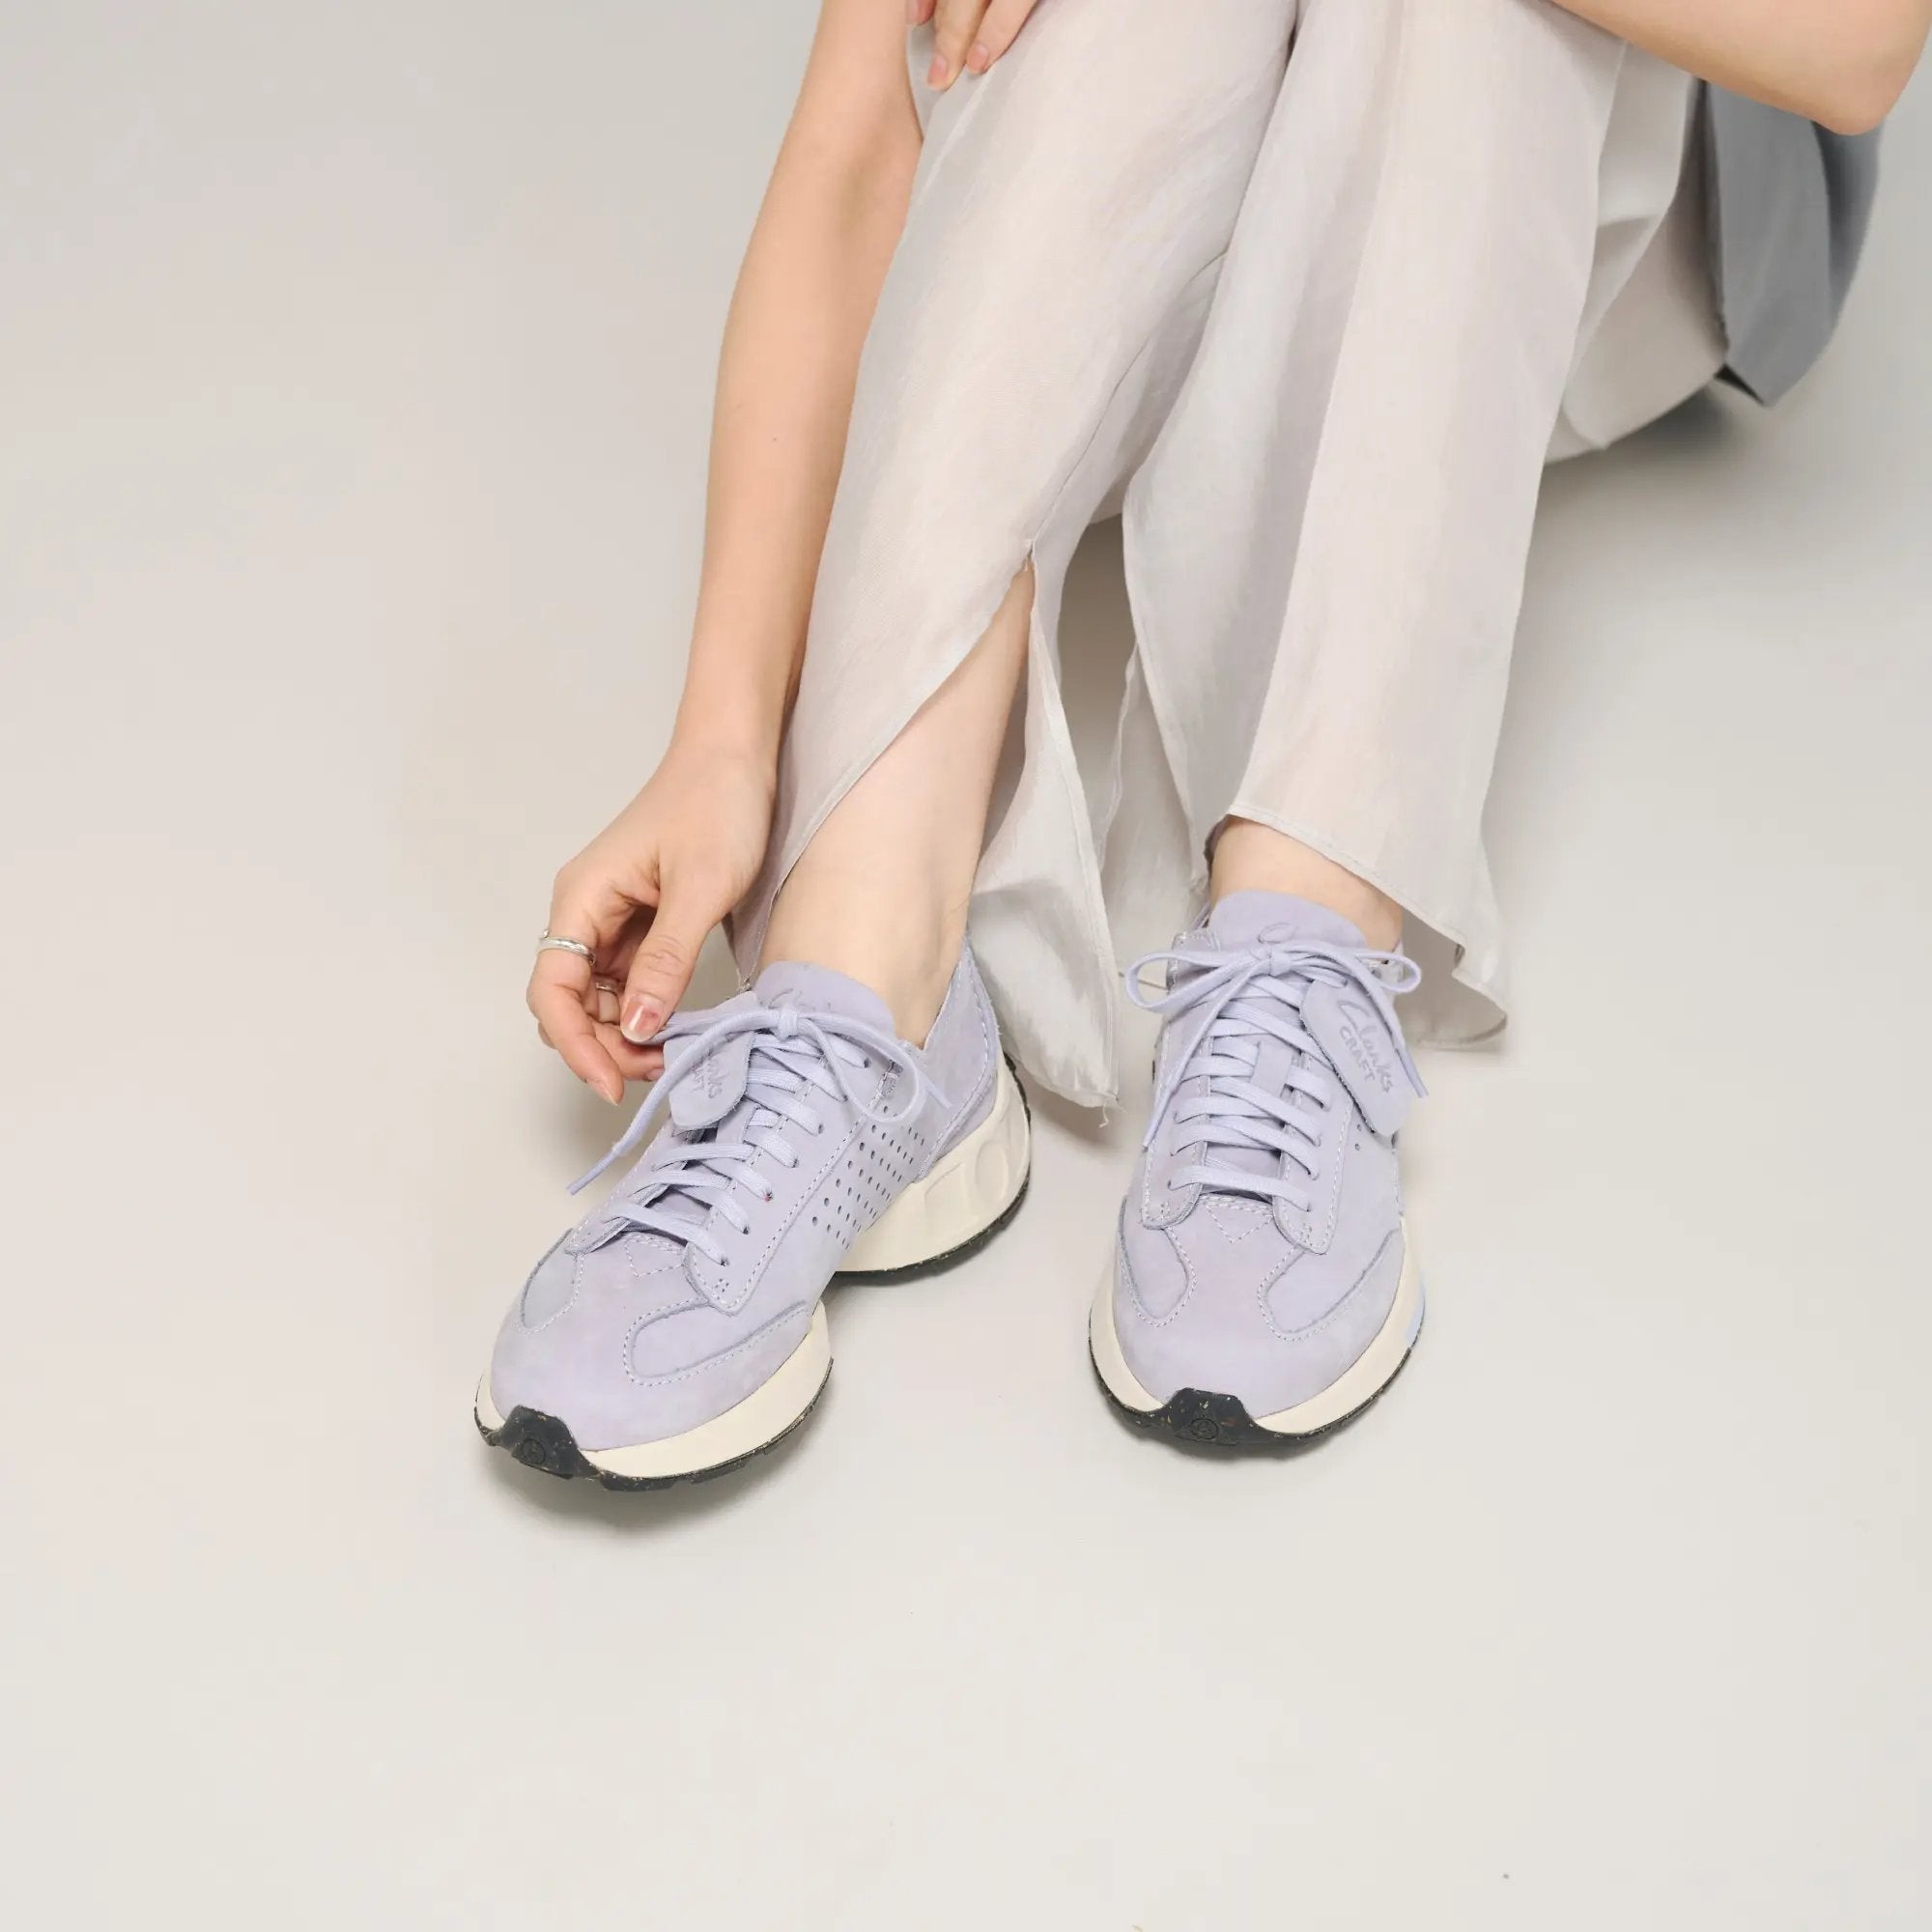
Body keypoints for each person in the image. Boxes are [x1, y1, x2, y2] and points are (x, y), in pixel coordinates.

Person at [475, 0, 1921, 1487]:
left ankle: (1308, 916)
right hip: (1184, 236)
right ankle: (865, 965)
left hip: (1562, 226)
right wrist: (723, 741)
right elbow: (859, 146)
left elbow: (1857, 47)